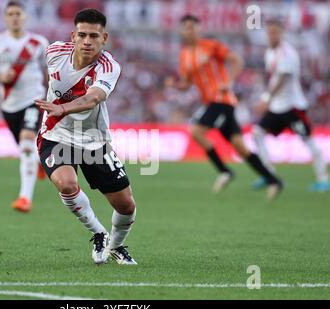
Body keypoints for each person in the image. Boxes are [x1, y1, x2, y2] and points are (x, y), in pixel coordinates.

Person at [35, 8, 137, 265]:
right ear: (73, 36)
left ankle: (116, 246)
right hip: (55, 134)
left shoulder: (109, 66)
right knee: (67, 185)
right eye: (82, 35)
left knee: (126, 206)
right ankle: (98, 232)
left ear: (105, 38)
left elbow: (93, 98)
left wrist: (62, 107)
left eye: (94, 35)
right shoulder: (54, 53)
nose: (87, 41)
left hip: (93, 140)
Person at [166, 14, 283, 200]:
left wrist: (229, 81)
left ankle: (224, 171)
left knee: (196, 130)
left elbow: (236, 60)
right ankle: (273, 181)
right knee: (240, 147)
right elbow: (187, 84)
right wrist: (175, 85)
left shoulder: (211, 46)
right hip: (214, 103)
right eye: (185, 27)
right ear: (181, 31)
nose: (189, 31)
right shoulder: (184, 56)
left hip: (221, 100)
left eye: (192, 26)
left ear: (199, 28)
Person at [0, 1, 48, 213]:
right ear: (5, 17)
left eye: (18, 13)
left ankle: (24, 198)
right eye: (10, 14)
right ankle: (38, 162)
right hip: (9, 105)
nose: (14, 17)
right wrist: (0, 76)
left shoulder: (38, 42)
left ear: (25, 16)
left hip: (33, 100)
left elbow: (51, 69)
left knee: (26, 143)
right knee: (25, 148)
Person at [252, 18, 329, 192]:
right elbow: (272, 78)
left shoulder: (287, 52)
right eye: (269, 32)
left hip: (292, 106)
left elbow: (284, 79)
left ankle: (323, 179)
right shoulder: (269, 53)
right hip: (277, 107)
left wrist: (266, 99)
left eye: (275, 32)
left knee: (307, 140)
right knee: (257, 133)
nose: (272, 35)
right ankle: (268, 174)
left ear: (281, 33)